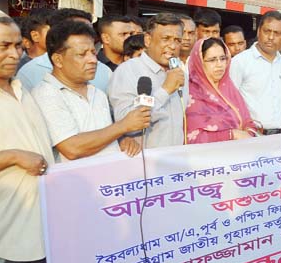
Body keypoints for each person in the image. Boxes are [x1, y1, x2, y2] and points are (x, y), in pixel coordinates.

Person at [0, 16, 54, 263]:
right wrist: (13, 156)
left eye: (17, 45)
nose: (14, 53)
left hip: (39, 228)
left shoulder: (23, 88)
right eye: (2, 46)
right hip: (3, 231)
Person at [32, 20, 149, 162]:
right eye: (82, 54)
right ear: (58, 59)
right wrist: (122, 127)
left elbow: (104, 135)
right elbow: (72, 148)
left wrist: (120, 140)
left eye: (93, 52)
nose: (93, 60)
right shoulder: (46, 94)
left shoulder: (97, 93)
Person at [108, 13, 187, 148]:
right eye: (166, 39)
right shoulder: (127, 71)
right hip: (143, 162)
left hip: (176, 162)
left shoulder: (179, 72)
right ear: (148, 40)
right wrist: (165, 90)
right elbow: (125, 124)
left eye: (177, 40)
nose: (172, 46)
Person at [17, 8, 112, 92]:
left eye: (88, 30)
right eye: (77, 29)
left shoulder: (104, 71)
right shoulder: (29, 72)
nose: (85, 34)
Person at [230, 10, 281, 135]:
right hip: (252, 136)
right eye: (267, 31)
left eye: (277, 33)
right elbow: (229, 102)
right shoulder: (240, 62)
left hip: (280, 137)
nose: (271, 37)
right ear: (258, 31)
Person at [186, 38, 257, 143]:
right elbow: (193, 138)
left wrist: (248, 134)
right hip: (210, 157)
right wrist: (232, 135)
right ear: (199, 62)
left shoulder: (229, 88)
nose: (219, 64)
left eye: (223, 58)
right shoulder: (191, 94)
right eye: (212, 60)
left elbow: (248, 121)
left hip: (240, 155)